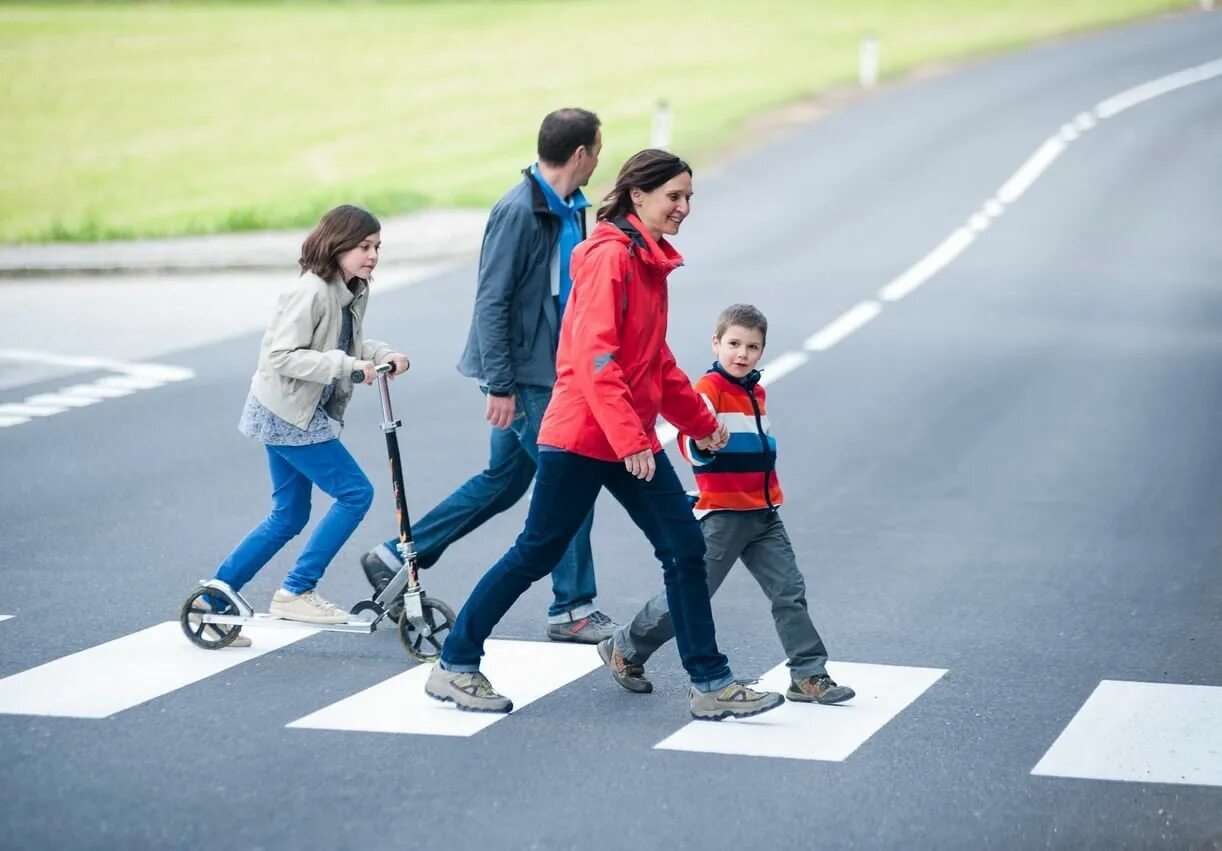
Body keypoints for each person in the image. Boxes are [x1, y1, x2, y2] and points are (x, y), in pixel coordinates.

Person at [424, 150, 785, 721]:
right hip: (583, 436)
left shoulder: (650, 261)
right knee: (536, 552)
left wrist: (703, 424)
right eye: (674, 196)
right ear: (638, 195)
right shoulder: (609, 258)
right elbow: (596, 359)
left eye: (689, 197)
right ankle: (455, 664)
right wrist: (633, 442)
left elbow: (656, 360)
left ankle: (710, 683)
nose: (684, 207)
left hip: (624, 436)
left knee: (685, 550)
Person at [359, 108, 618, 644]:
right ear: (579, 155)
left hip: (552, 367)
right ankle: (572, 608)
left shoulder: (569, 206)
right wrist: (500, 385)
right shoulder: (519, 211)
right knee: (570, 482)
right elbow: (492, 300)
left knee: (504, 482)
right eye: (597, 149)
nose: (599, 158)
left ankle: (397, 553)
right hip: (527, 375)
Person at [598, 304, 856, 705]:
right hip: (723, 514)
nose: (742, 354)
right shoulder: (709, 390)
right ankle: (626, 647)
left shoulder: (755, 390)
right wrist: (701, 444)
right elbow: (690, 439)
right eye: (734, 344)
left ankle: (808, 673)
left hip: (764, 513)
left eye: (753, 347)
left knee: (789, 591)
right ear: (716, 343)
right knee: (688, 597)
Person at [190, 205, 410, 646]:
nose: (372, 256)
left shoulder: (353, 287)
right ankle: (297, 589)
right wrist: (349, 367)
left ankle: (211, 604)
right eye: (364, 247)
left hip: (297, 412)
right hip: (289, 412)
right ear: (338, 245)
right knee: (355, 493)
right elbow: (281, 355)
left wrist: (381, 353)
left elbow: (346, 341)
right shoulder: (311, 291)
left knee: (289, 514)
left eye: (377, 247)